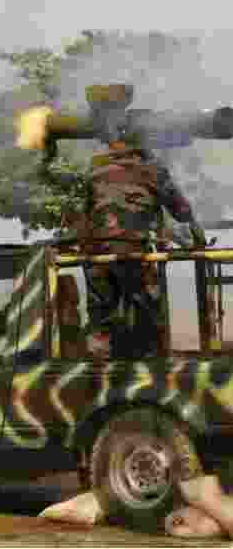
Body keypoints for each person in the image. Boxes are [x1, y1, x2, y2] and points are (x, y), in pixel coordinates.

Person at [75, 84, 201, 360]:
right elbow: (180, 209)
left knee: (100, 320)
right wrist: (197, 236)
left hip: (98, 258)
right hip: (135, 253)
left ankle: (99, 374)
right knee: (148, 317)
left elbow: (82, 215)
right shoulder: (150, 168)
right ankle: (149, 370)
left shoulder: (96, 168)